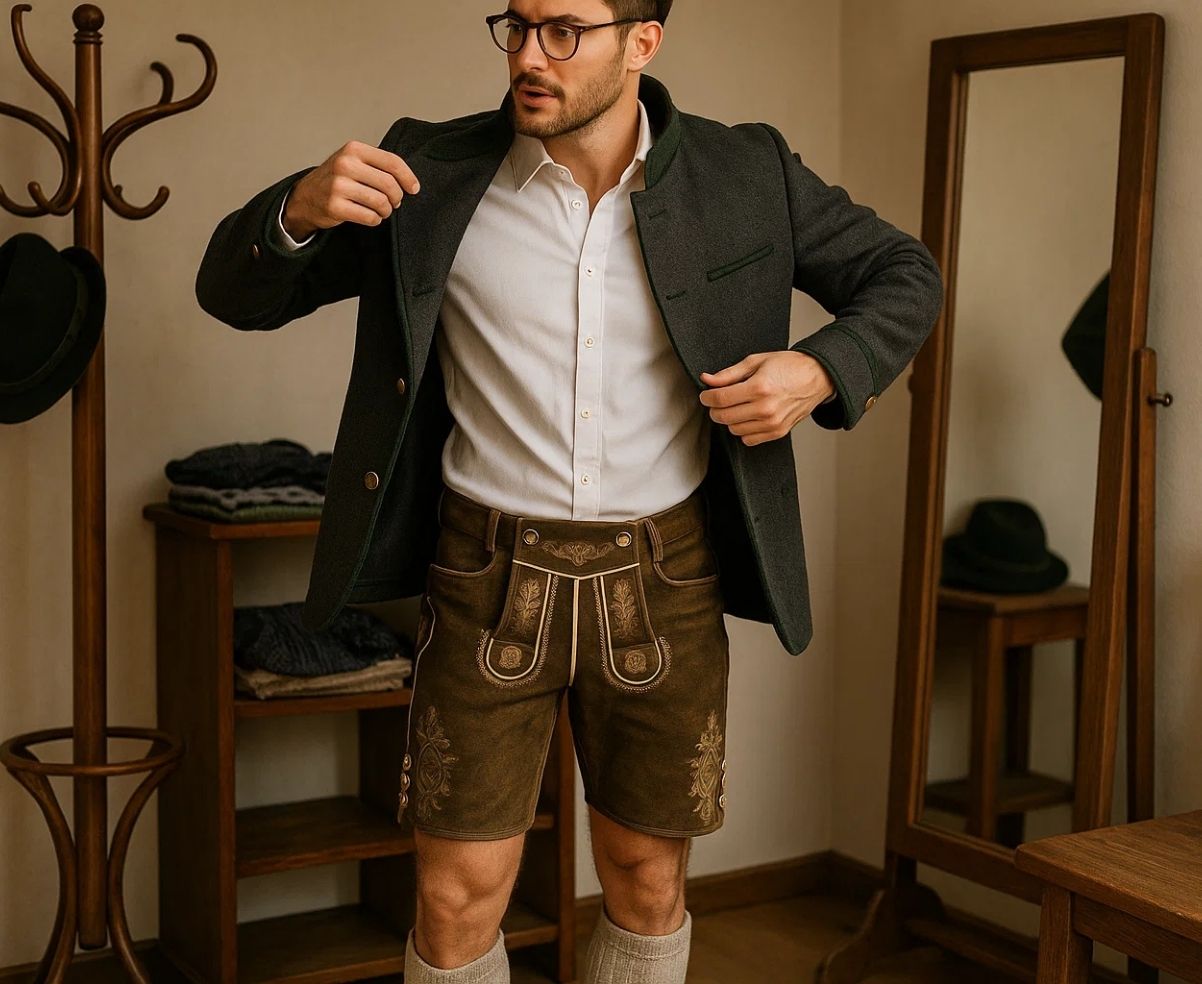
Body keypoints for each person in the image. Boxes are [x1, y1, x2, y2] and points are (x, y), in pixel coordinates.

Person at [195, 2, 944, 981]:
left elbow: (903, 272)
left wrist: (820, 372)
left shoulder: (745, 172)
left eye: (563, 31)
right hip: (480, 575)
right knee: (455, 896)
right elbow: (233, 293)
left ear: (642, 42)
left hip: (664, 578)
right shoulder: (431, 171)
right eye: (515, 24)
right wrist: (294, 209)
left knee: (642, 878)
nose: (527, 54)